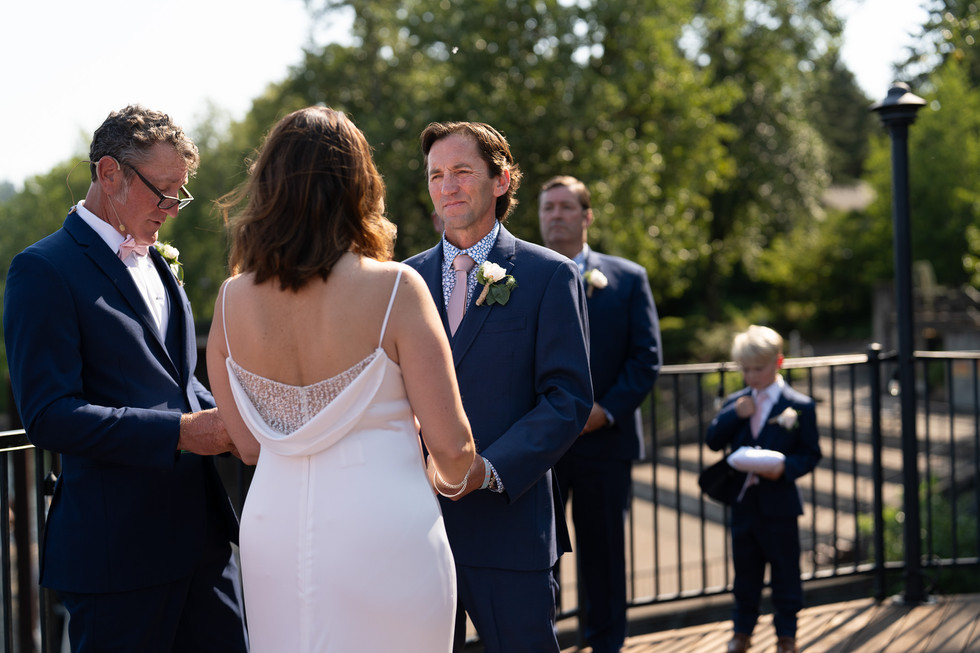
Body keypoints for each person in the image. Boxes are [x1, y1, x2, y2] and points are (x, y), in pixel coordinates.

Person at [206, 107, 476, 652]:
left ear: (267, 188)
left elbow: (251, 445)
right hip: (382, 524)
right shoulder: (396, 289)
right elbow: (453, 447)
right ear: (359, 185)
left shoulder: (232, 299)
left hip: (272, 529)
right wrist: (452, 474)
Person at [3, 105, 248, 652]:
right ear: (109, 173)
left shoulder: (160, 263)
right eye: (162, 190)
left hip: (204, 548)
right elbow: (48, 416)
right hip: (116, 559)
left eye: (179, 193)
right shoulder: (42, 270)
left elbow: (176, 382)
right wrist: (183, 433)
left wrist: (244, 416)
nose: (172, 208)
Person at [405, 122, 593, 653]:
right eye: (436, 175)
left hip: (509, 528)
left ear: (502, 180)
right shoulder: (402, 281)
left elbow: (567, 400)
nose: (448, 186)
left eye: (462, 172)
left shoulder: (549, 275)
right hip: (418, 528)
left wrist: (487, 471)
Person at [538, 175, 662, 653]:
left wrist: (605, 411)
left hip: (606, 444)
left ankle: (606, 644)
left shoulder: (629, 278)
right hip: (543, 445)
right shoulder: (522, 274)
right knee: (539, 555)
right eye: (548, 208)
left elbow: (645, 358)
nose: (556, 216)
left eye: (567, 207)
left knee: (604, 555)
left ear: (587, 216)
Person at [705, 325, 822, 653]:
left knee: (786, 570)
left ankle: (787, 634)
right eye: (745, 369)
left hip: (780, 503)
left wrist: (785, 468)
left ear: (778, 362)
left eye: (758, 368)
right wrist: (732, 415)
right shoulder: (736, 401)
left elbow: (811, 454)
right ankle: (742, 631)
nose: (751, 376)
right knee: (745, 571)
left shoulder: (798, 406)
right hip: (744, 503)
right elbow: (713, 440)